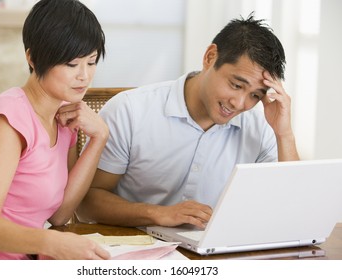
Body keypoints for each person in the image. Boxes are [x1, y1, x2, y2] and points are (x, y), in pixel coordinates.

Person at [75, 14, 300, 229]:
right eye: (236, 85)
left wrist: (285, 134)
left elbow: (293, 209)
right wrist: (159, 214)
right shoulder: (130, 110)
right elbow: (86, 204)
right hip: (137, 251)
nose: (239, 103)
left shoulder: (259, 127)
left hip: (217, 256)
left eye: (255, 95)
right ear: (210, 57)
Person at [0, 0, 110, 260]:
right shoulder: (7, 120)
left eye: (91, 62)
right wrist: (51, 242)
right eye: (72, 64)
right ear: (33, 58)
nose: (84, 75)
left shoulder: (65, 118)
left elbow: (59, 214)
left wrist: (99, 138)